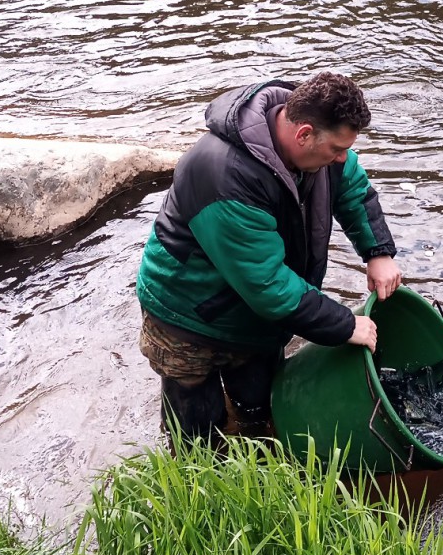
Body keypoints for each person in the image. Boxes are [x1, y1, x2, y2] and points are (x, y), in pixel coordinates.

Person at [136, 71, 402, 438]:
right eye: (337, 149)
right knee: (197, 435)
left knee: (260, 414)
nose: (344, 158)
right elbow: (267, 285)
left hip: (256, 317)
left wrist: (378, 253)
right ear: (304, 134)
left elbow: (353, 190)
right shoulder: (224, 173)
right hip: (189, 319)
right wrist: (343, 324)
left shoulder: (320, 151)